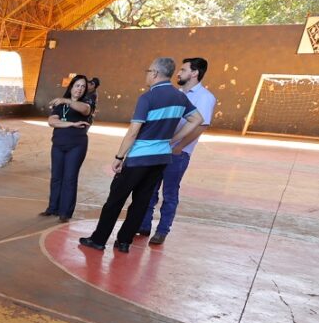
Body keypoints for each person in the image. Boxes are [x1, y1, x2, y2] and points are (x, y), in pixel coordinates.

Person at [79, 58, 204, 253]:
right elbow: (197, 119)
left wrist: (119, 157)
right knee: (141, 201)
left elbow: (133, 131)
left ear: (155, 73)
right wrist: (173, 139)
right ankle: (124, 242)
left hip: (139, 158)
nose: (147, 75)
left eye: (148, 71)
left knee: (116, 199)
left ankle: (99, 239)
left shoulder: (148, 98)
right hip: (161, 158)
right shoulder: (180, 97)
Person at [138, 58, 216, 245]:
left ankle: (162, 230)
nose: (178, 73)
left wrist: (179, 146)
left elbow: (200, 126)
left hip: (178, 154)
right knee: (150, 188)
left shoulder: (205, 97)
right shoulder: (178, 93)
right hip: (161, 149)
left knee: (170, 193)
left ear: (194, 73)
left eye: (183, 70)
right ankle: (144, 225)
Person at [41, 74, 93, 222]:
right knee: (56, 177)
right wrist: (71, 124)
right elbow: (52, 121)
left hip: (76, 146)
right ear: (71, 87)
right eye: (77, 85)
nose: (80, 89)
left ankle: (65, 212)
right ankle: (53, 208)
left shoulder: (87, 103)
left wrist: (66, 100)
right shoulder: (60, 105)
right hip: (58, 144)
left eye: (83, 86)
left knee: (69, 178)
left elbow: (84, 109)